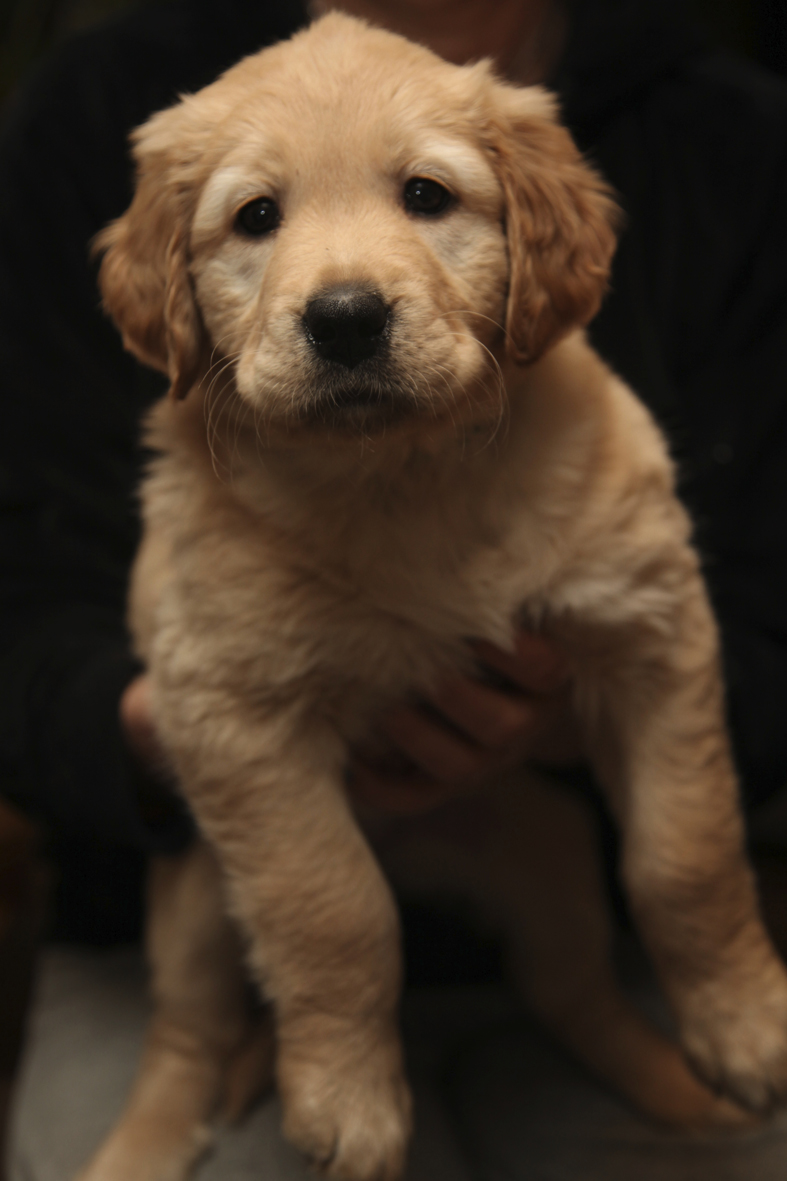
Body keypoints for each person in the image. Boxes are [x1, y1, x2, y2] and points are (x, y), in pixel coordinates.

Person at [2, 0, 787, 1175]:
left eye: (428, 196)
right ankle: (187, 1062)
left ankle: (600, 1017)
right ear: (175, 286)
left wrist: (711, 933)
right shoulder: (98, 99)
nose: (344, 293)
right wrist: (326, 997)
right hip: (197, 885)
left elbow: (683, 648)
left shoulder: (730, 142)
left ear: (535, 243)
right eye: (256, 218)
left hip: (547, 855)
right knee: (187, 1006)